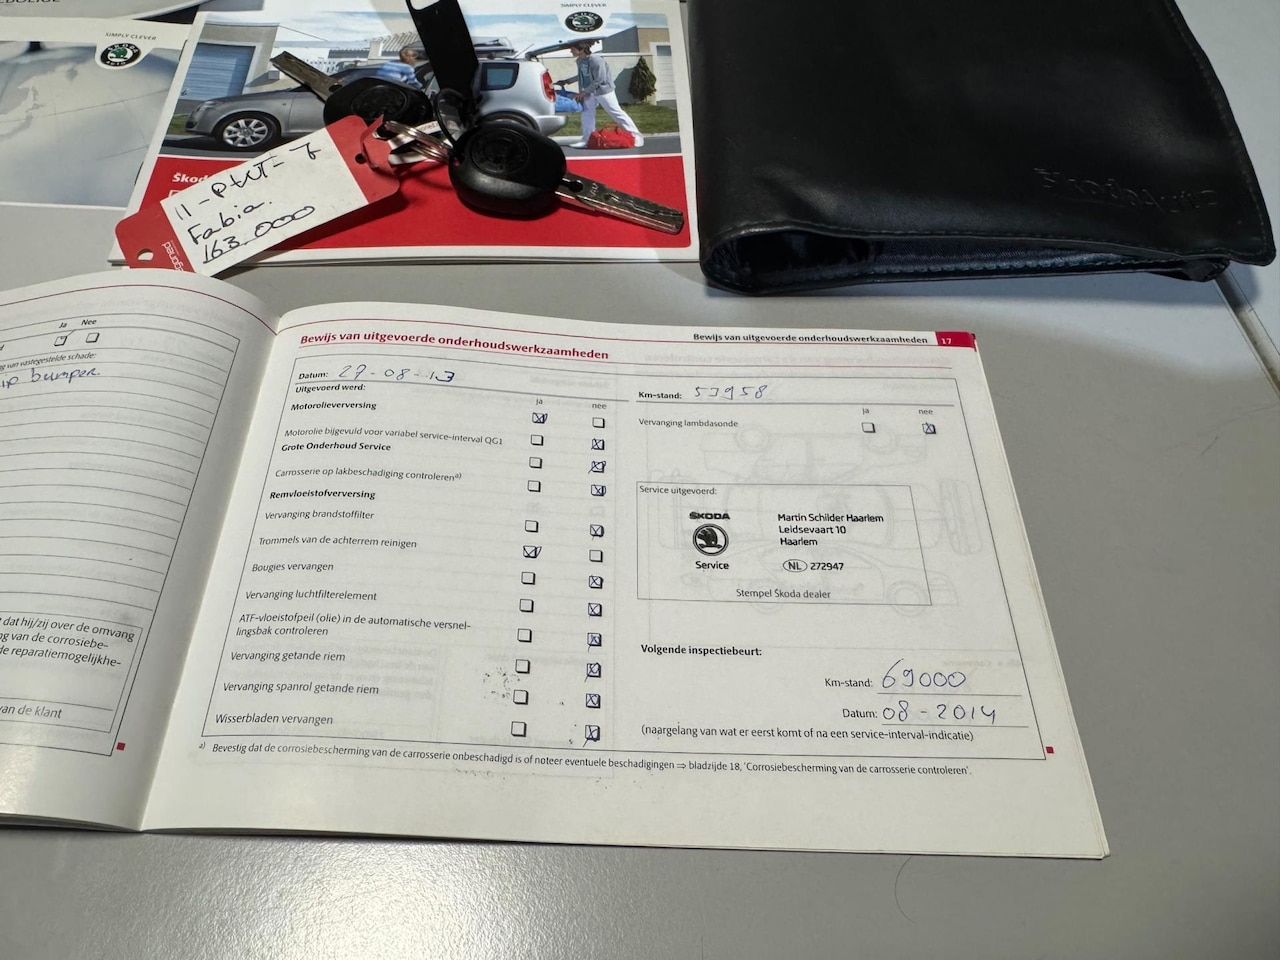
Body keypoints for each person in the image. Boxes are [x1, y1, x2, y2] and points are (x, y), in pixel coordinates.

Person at [563, 41, 643, 148]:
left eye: (573, 49)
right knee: (587, 114)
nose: (571, 51)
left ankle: (636, 137)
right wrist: (567, 81)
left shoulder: (596, 60)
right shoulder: (580, 61)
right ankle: (587, 140)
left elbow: (600, 79)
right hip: (589, 92)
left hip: (603, 91)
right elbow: (583, 75)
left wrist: (584, 92)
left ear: (581, 50)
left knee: (616, 112)